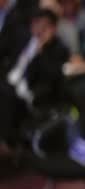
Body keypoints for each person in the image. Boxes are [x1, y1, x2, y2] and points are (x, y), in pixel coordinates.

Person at [0, 9, 69, 142]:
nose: (38, 28)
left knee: (5, 94)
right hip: (9, 81)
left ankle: (5, 142)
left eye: (44, 25)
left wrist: (42, 49)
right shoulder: (23, 37)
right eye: (36, 23)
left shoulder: (58, 49)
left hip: (30, 92)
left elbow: (51, 78)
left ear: (53, 29)